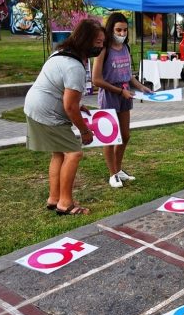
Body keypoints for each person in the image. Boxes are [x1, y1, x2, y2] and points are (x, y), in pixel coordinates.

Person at [24, 19, 106, 215]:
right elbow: (69, 106)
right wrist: (85, 131)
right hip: (47, 113)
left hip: (35, 107)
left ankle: (54, 199)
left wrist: (78, 105)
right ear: (85, 41)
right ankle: (65, 203)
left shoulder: (61, 54)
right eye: (97, 43)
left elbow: (65, 95)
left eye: (102, 43)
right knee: (74, 153)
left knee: (59, 153)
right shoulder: (74, 67)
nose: (101, 47)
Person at [92, 12, 152, 189]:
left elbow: (128, 74)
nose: (122, 33)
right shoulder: (103, 49)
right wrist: (120, 91)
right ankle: (112, 174)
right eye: (118, 30)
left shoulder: (125, 48)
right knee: (111, 138)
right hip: (110, 96)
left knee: (125, 136)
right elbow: (96, 79)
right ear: (110, 30)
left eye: (125, 30)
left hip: (124, 95)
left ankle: (118, 170)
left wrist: (141, 86)